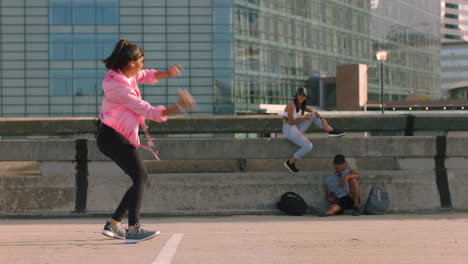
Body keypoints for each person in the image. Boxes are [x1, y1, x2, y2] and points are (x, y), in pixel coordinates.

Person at [97, 39, 196, 243]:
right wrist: (180, 106)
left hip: (116, 136)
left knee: (140, 179)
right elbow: (149, 111)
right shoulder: (117, 87)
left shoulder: (126, 74)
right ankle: (133, 229)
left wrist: (166, 73)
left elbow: (146, 74)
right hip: (112, 136)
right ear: (132, 62)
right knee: (141, 177)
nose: (143, 63)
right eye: (141, 60)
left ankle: (114, 225)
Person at [283, 87, 345, 174]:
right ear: (296, 95)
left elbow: (314, 111)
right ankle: (290, 162)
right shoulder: (292, 105)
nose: (301, 97)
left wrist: (321, 118)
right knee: (308, 146)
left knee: (313, 115)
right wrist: (304, 118)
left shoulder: (300, 105)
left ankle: (331, 131)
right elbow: (290, 122)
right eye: (300, 95)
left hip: (295, 128)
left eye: (304, 96)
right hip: (289, 129)